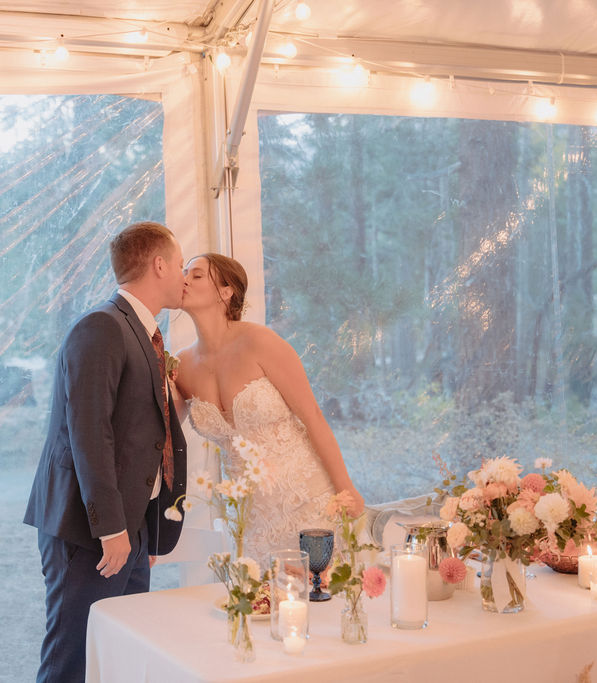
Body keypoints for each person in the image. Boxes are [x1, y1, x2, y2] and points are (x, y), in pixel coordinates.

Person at [24, 221, 188, 683]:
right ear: (158, 265)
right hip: (90, 528)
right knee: (72, 659)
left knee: (119, 658)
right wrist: (112, 528)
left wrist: (145, 529)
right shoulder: (101, 327)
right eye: (179, 265)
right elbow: (89, 433)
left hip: (131, 526)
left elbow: (142, 436)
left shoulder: (141, 332)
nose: (183, 276)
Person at [172, 252, 364, 563]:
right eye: (183, 273)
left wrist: (346, 490)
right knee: (262, 603)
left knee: (322, 595)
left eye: (195, 275)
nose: (184, 280)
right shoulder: (181, 365)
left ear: (226, 291)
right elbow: (162, 433)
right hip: (250, 518)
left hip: (306, 498)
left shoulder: (260, 342)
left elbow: (313, 417)